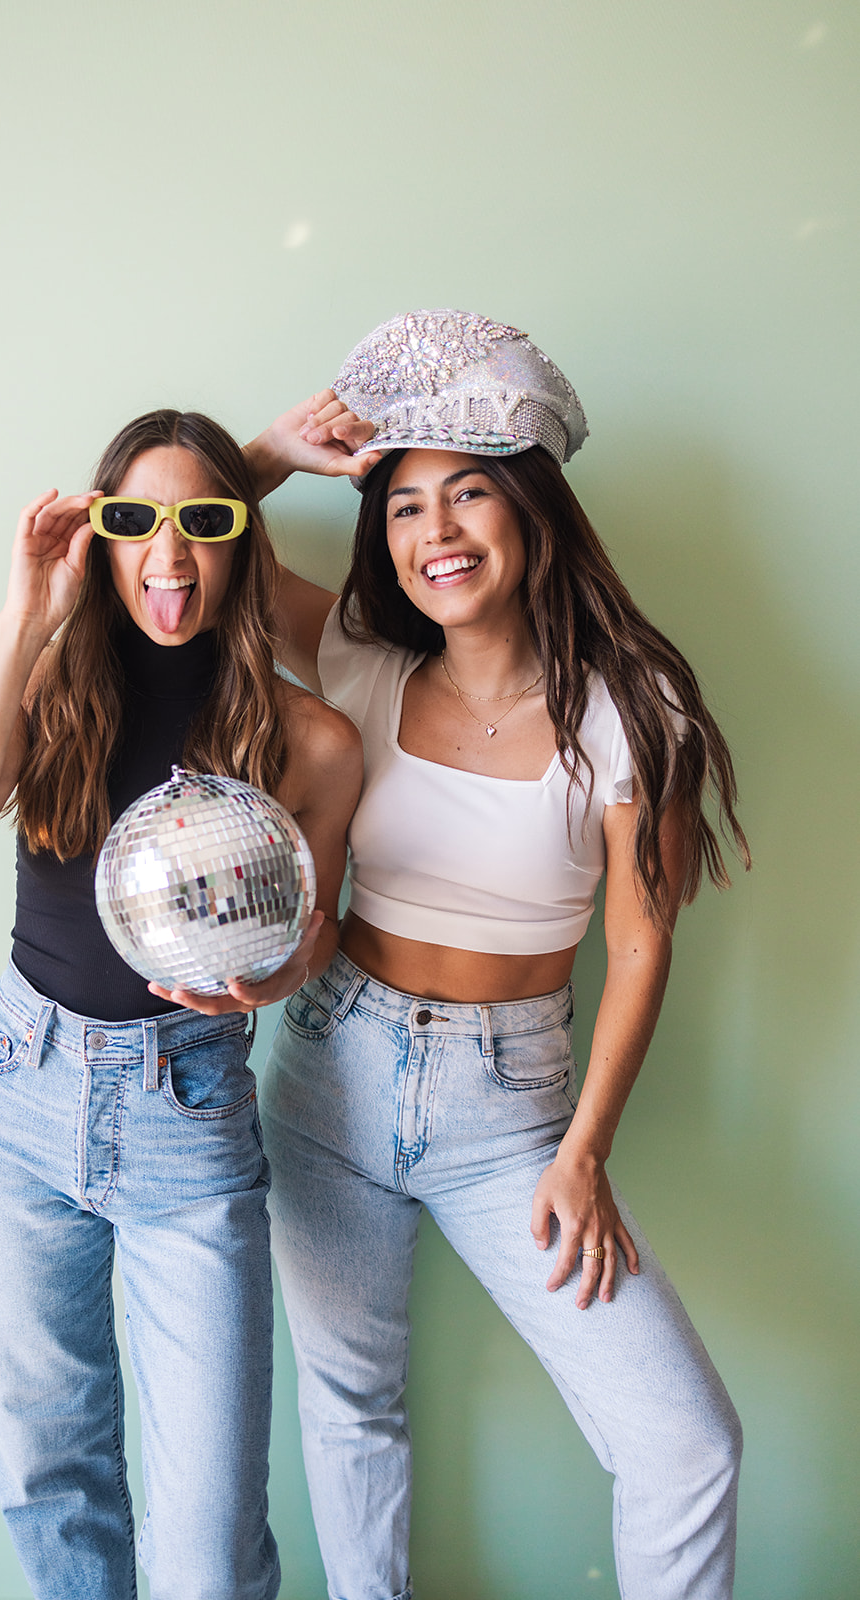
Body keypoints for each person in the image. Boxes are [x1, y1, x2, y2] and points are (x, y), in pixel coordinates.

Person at [243, 311, 750, 1600]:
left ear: (528, 510)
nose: (435, 534)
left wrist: (581, 1152)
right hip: (326, 1071)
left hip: (511, 1108)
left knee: (684, 1445)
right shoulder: (358, 659)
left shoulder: (632, 708)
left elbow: (637, 949)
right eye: (405, 508)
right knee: (350, 1406)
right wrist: (261, 455)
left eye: (466, 495)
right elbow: (189, 550)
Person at [0, 408, 362, 1600]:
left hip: (189, 1102)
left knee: (207, 1542)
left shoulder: (310, 739)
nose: (171, 555)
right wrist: (22, 614)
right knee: (52, 1473)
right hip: (19, 1092)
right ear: (98, 541)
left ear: (245, 543)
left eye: (205, 523)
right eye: (136, 523)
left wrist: (276, 975)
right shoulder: (46, 681)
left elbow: (318, 934)